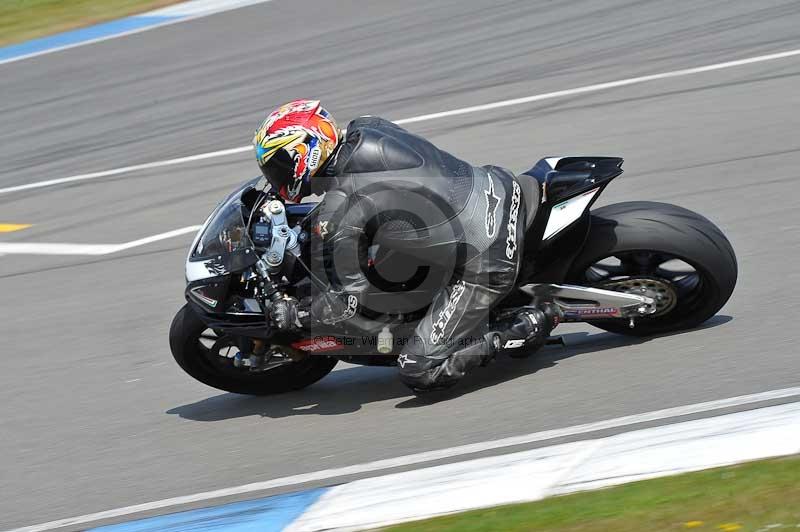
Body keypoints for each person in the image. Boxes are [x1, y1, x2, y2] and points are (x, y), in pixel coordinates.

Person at [253, 99, 553, 392]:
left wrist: (301, 316)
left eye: (279, 164)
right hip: (496, 186)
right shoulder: (366, 127)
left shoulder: (342, 209)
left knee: (418, 367)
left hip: (488, 255)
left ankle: (522, 327)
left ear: (305, 152)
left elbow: (351, 299)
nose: (275, 175)